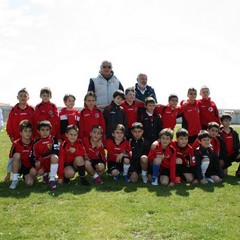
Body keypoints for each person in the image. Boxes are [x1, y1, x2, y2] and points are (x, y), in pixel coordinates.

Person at [5, 88, 34, 182]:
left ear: (28, 98)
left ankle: (31, 174)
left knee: (30, 157)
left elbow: (34, 123)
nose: (23, 97)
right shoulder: (13, 110)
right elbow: (9, 125)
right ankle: (11, 175)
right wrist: (11, 137)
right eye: (21, 96)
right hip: (17, 139)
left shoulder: (31, 109)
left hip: (29, 139)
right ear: (17, 97)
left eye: (25, 96)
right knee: (15, 156)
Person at [30, 120, 59, 190]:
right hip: (43, 164)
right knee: (33, 172)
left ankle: (52, 180)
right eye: (42, 130)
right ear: (38, 131)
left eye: (47, 130)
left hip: (52, 162)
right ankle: (45, 175)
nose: (45, 132)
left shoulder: (53, 139)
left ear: (50, 130)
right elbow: (32, 157)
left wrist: (41, 158)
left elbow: (56, 151)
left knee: (54, 157)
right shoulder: (36, 143)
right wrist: (36, 163)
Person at [9, 120, 34, 189]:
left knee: (29, 183)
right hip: (19, 165)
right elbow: (11, 158)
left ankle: (26, 177)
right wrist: (8, 174)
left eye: (29, 131)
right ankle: (14, 180)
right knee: (17, 155)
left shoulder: (34, 143)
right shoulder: (16, 143)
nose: (28, 133)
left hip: (28, 167)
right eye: (25, 131)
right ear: (20, 132)